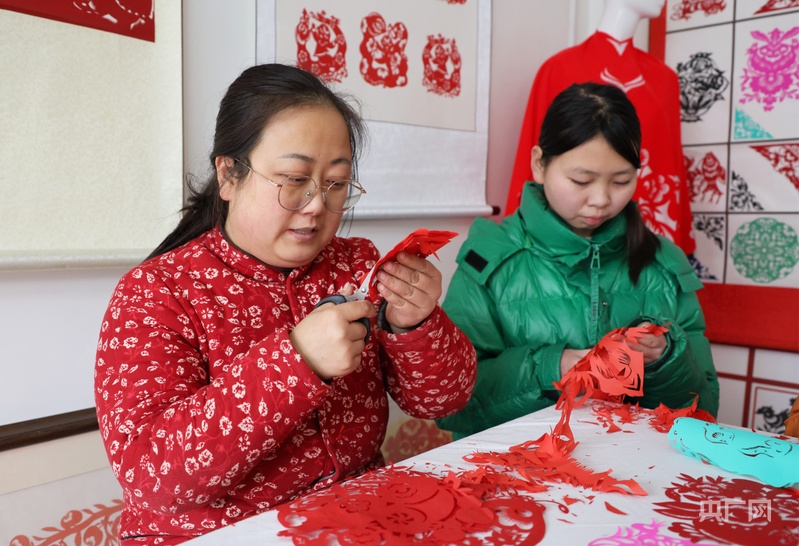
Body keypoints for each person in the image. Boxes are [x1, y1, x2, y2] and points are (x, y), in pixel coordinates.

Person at [94, 63, 477, 545]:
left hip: (357, 523)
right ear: (229, 175)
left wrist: (416, 324)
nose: (317, 204)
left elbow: (443, 399)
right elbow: (150, 476)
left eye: (336, 183)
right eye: (294, 179)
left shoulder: (356, 264)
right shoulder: (156, 294)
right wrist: (297, 361)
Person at [436, 82, 718, 440]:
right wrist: (552, 366)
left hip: (634, 476)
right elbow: (451, 408)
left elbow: (706, 409)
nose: (600, 200)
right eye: (581, 180)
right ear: (540, 164)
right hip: (517, 475)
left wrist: (667, 358)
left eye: (621, 180)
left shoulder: (664, 263)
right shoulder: (489, 260)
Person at [504, 0, 696, 256]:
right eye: (580, 180)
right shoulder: (559, 68)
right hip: (568, 238)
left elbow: (671, 165)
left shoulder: (665, 80)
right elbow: (533, 155)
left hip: (648, 229)